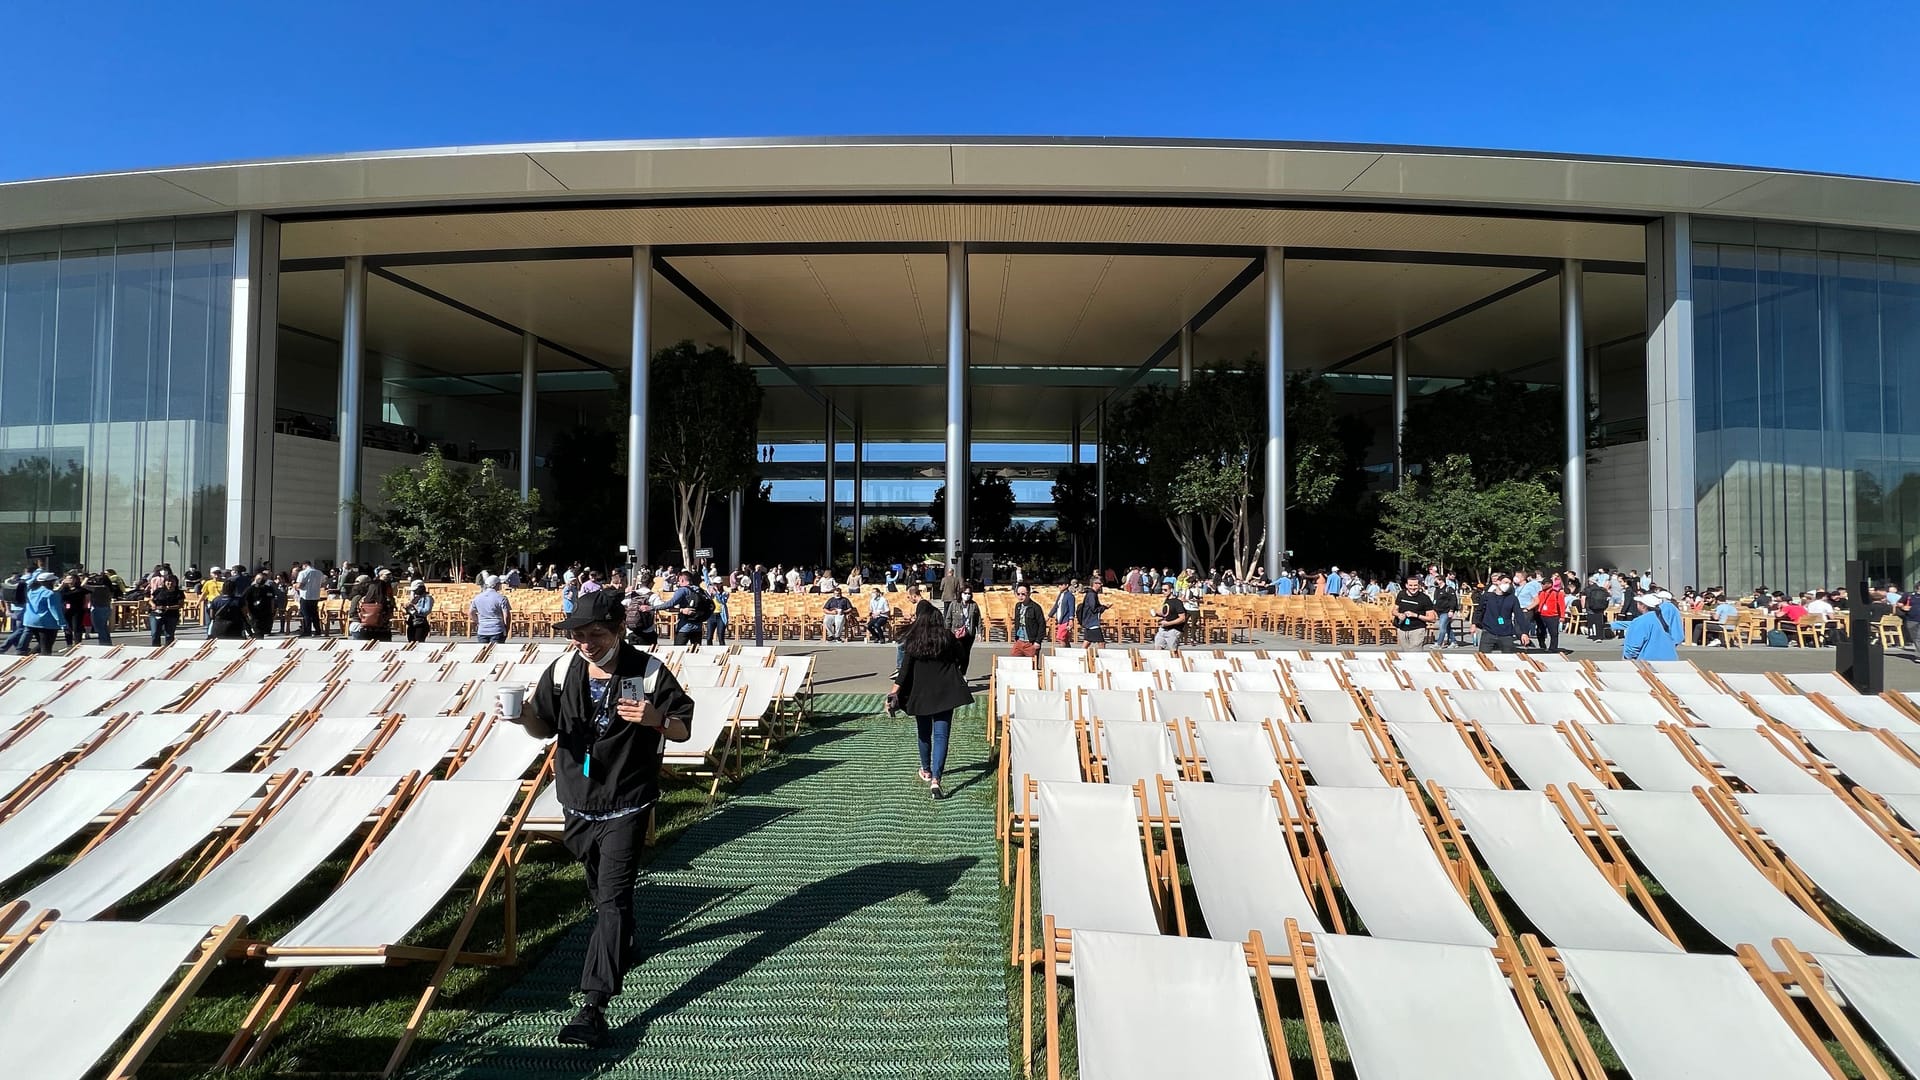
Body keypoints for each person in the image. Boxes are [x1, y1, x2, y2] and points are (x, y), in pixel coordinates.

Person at [495, 588, 694, 1048]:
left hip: (627, 799)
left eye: (596, 634)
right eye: (579, 635)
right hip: (577, 798)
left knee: (611, 897)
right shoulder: (564, 670)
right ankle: (623, 943)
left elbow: (683, 729)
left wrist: (656, 719)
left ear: (620, 630)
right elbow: (545, 727)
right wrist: (524, 716)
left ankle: (594, 1004)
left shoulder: (647, 671)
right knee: (597, 886)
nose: (586, 642)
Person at [890, 600, 972, 801]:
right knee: (941, 736)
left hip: (921, 695)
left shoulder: (913, 639)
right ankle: (936, 780)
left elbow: (904, 671)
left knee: (924, 733)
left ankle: (925, 770)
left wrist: (893, 694)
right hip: (946, 693)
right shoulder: (946, 636)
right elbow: (962, 656)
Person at [1474, 573, 1527, 653]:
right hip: (1488, 632)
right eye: (1505, 582)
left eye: (1509, 583)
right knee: (1483, 656)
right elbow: (1479, 610)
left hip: (1506, 634)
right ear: (1498, 582)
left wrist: (1524, 632)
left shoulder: (1512, 598)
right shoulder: (1487, 596)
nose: (1507, 585)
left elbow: (1519, 616)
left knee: (1508, 659)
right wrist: (1474, 624)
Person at [1622, 594, 1680, 661]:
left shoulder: (1641, 621)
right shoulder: (1662, 618)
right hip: (1670, 659)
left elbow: (1632, 648)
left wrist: (1627, 657)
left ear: (1643, 606)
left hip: (1649, 662)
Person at [22, 572, 65, 655]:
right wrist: (63, 624)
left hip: (30, 621)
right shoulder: (51, 594)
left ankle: (28, 657)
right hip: (46, 623)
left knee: (42, 645)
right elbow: (55, 610)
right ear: (50, 582)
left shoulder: (31, 591)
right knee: (46, 648)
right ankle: (43, 664)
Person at [945, 584, 983, 672]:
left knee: (966, 654)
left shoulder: (974, 605)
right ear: (961, 593)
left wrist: (979, 633)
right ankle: (955, 672)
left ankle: (963, 673)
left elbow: (978, 620)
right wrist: (947, 632)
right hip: (956, 634)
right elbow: (948, 619)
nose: (967, 595)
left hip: (969, 634)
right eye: (965, 593)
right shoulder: (954, 604)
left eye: (969, 593)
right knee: (957, 654)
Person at [1394, 575, 1436, 649]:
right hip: (1402, 629)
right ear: (1406, 585)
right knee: (1405, 655)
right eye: (1410, 585)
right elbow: (1394, 610)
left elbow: (1432, 618)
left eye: (1415, 585)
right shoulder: (1401, 594)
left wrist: (1416, 615)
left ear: (1419, 585)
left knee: (1415, 655)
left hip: (1417, 630)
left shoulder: (1424, 598)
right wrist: (1398, 614)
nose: (1413, 588)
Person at [147, 572, 185, 646]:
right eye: (168, 581)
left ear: (175, 583)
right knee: (155, 633)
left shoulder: (179, 593)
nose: (169, 583)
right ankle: (155, 648)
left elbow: (180, 605)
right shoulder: (159, 590)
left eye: (172, 581)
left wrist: (168, 607)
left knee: (169, 635)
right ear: (164, 582)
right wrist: (153, 604)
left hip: (171, 614)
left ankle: (169, 649)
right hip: (156, 613)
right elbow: (150, 600)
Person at [353, 577, 395, 642]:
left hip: (366, 629)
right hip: (383, 630)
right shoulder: (386, 600)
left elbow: (359, 613)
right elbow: (389, 615)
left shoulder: (363, 600)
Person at [1010, 584, 1046, 658]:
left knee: (1031, 666)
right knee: (1014, 661)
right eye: (1018, 594)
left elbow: (1042, 625)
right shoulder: (1018, 606)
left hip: (1031, 642)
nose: (1020, 596)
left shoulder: (1035, 607)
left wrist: (1038, 641)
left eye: (1023, 594)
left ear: (1029, 594)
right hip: (1019, 641)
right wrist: (1016, 638)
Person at [472, 576, 511, 644]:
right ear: (496, 585)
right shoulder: (501, 598)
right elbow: (506, 615)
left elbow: (471, 613)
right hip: (497, 629)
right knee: (496, 652)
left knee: (483, 652)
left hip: (482, 629)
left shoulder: (477, 597)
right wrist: (506, 628)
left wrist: (478, 622)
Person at [1534, 574, 1567, 653]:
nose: (1542, 585)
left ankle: (1553, 648)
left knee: (1553, 633)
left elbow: (1561, 605)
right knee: (1540, 631)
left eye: (1544, 584)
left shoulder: (1557, 593)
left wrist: (1562, 616)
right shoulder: (1540, 593)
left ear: (1549, 584)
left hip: (1553, 616)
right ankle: (1542, 644)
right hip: (1541, 615)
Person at [1154, 580, 1188, 651]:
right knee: (1157, 649)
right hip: (1163, 629)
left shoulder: (1177, 602)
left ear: (1171, 590)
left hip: (1173, 630)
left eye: (1165, 590)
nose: (1163, 591)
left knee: (1173, 651)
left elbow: (1182, 618)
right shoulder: (1166, 600)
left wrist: (1168, 623)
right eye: (1162, 590)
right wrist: (1157, 613)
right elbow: (1167, 613)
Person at [295, 561, 326, 636]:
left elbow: (299, 585)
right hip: (315, 596)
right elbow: (323, 584)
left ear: (305, 565)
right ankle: (318, 630)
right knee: (314, 614)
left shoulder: (303, 573)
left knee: (306, 614)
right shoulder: (319, 572)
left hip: (305, 595)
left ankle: (307, 631)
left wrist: (295, 586)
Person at [1077, 580, 1107, 646]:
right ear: (1094, 584)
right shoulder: (1092, 594)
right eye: (1099, 583)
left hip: (1089, 621)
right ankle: (1103, 656)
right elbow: (1094, 609)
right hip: (1092, 622)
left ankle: (1081, 654)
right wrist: (1104, 607)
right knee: (1101, 642)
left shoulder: (1091, 593)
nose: (1101, 585)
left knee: (1087, 641)